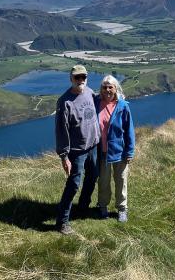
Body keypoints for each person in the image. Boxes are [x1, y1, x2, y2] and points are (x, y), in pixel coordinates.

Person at [54, 64, 100, 234]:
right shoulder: (64, 102)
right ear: (71, 79)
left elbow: (102, 101)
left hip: (93, 146)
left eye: (83, 77)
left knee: (92, 177)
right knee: (74, 184)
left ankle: (82, 208)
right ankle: (62, 222)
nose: (81, 80)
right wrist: (64, 156)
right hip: (77, 151)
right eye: (77, 77)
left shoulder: (89, 91)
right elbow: (61, 130)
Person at [95, 75, 135, 223]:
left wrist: (129, 151)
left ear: (116, 88)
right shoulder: (96, 103)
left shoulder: (123, 106)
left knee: (121, 181)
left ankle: (122, 209)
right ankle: (103, 206)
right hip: (102, 152)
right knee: (103, 182)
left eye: (110, 87)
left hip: (120, 151)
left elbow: (129, 130)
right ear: (101, 89)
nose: (107, 90)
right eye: (104, 87)